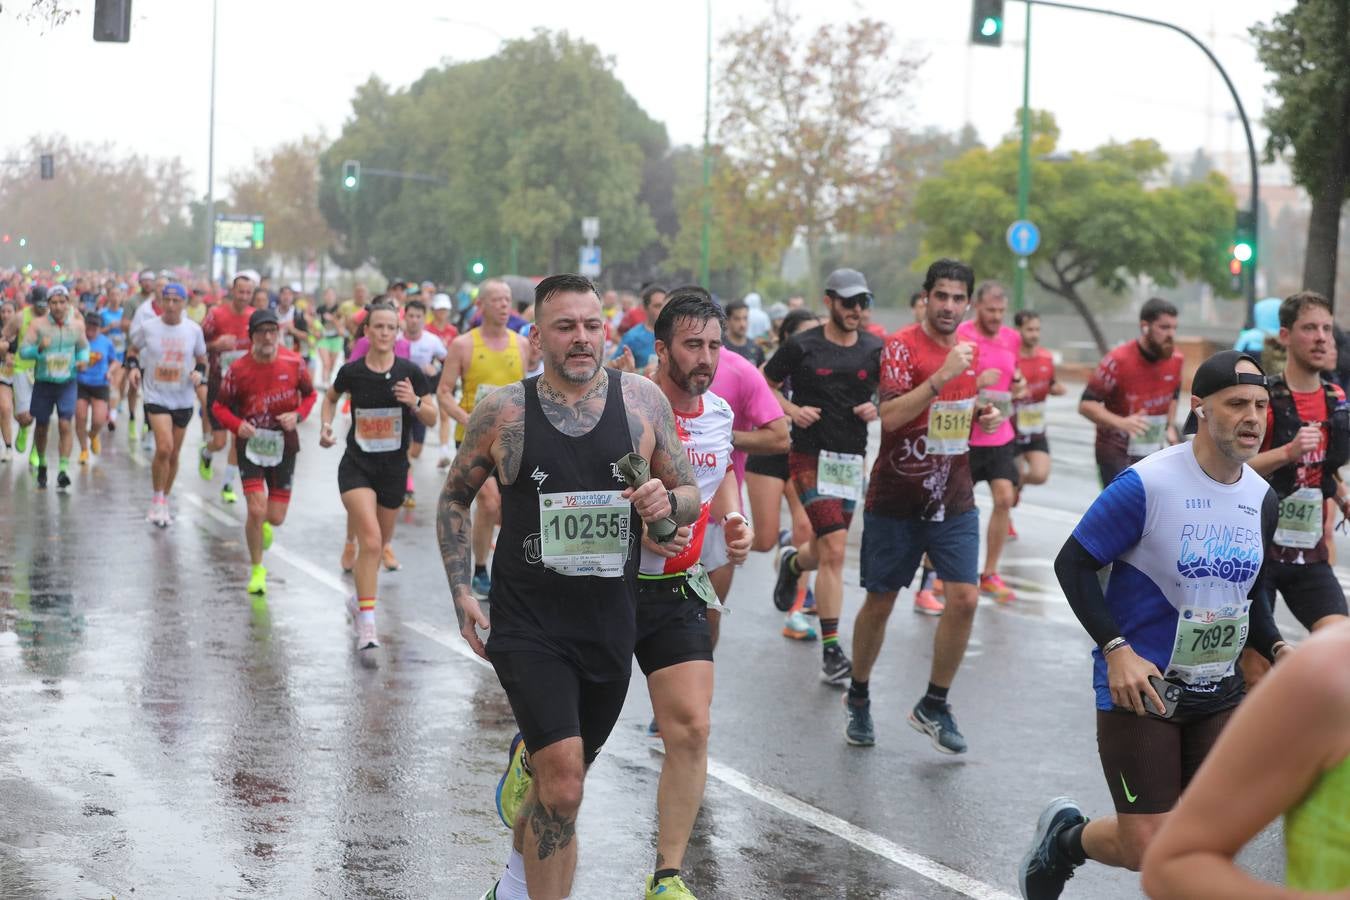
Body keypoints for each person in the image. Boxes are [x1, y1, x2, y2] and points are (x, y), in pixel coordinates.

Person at [435, 274, 700, 900]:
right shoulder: (503, 410)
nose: (581, 339)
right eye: (565, 326)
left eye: (591, 325)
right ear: (537, 337)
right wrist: (461, 592)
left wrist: (670, 499)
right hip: (529, 626)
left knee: (561, 783)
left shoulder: (641, 403)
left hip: (609, 624)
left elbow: (686, 493)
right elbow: (453, 499)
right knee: (566, 785)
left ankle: (511, 879)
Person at [1019, 350, 1290, 900]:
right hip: (1144, 687)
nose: (1253, 418)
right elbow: (1072, 563)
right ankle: (1065, 841)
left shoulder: (1262, 499)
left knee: (1200, 843)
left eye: (1260, 405)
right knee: (1148, 847)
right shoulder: (1147, 484)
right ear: (1199, 409)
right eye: (1236, 403)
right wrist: (1115, 648)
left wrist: (1279, 648)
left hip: (1218, 688)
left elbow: (1250, 595)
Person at [846, 258, 999, 753]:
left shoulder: (972, 352)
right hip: (896, 498)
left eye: (959, 298)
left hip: (953, 498)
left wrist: (984, 414)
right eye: (942, 296)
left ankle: (934, 702)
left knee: (966, 598)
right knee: (881, 601)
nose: (950, 306)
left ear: (968, 304)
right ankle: (859, 694)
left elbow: (954, 415)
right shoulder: (901, 346)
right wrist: (941, 378)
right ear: (927, 297)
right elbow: (890, 418)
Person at [633, 287, 752, 898]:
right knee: (573, 739)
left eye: (714, 344)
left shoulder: (720, 413)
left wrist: (735, 523)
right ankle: (534, 744)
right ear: (661, 348)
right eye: (692, 344)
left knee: (692, 730)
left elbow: (719, 479)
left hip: (678, 587)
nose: (706, 357)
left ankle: (667, 875)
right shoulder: (621, 407)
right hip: (610, 588)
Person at [1140, 620, 1350, 898]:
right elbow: (1171, 867)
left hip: (1215, 690)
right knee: (1137, 840)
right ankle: (1071, 839)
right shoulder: (1329, 673)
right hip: (1160, 685)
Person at [763, 268, 882, 685]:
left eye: (862, 302)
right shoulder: (802, 346)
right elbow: (767, 383)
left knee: (825, 548)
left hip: (850, 460)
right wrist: (793, 410)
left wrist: (877, 407)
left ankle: (794, 563)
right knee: (834, 549)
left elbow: (892, 392)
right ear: (830, 301)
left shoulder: (874, 347)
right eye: (848, 302)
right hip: (809, 455)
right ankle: (832, 650)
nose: (856, 310)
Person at [320, 301, 436, 651]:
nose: (385, 332)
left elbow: (431, 417)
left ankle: (359, 601)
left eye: (390, 327)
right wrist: (326, 427)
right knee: (370, 541)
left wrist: (414, 401)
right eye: (378, 327)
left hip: (393, 470)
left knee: (381, 541)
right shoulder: (352, 371)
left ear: (396, 333)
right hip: (356, 465)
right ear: (367, 332)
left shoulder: (410, 372)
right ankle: (368, 624)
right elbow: (329, 398)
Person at [1244, 291, 1349, 652]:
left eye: (1326, 329)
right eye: (1309, 328)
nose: (1321, 337)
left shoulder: (1336, 398)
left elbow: (1320, 469)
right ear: (1286, 336)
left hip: (1307, 553)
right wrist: (1286, 452)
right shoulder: (1264, 399)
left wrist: (1341, 494)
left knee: (1339, 649)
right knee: (1254, 673)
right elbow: (1233, 470)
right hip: (1256, 555)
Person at [212, 309, 317, 595]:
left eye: (273, 331)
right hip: (252, 445)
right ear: (253, 336)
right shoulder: (238, 369)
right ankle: (257, 569)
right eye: (262, 332)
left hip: (285, 444)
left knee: (276, 516)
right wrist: (237, 425)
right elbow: (218, 406)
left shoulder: (294, 363)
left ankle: (264, 527)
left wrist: (298, 415)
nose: (268, 336)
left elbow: (310, 395)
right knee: (256, 509)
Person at [436, 279, 529, 598]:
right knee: (489, 503)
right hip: (474, 442)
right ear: (482, 306)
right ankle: (479, 571)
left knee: (513, 508)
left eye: (507, 299)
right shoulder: (463, 345)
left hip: (513, 440)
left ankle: (512, 568)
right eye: (497, 300)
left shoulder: (522, 344)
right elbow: (444, 393)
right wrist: (469, 420)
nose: (505, 305)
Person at [744, 309, 823, 639]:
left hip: (803, 454)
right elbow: (763, 386)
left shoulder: (824, 366)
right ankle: (779, 543)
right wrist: (792, 412)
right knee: (763, 542)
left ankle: (797, 611)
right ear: (787, 338)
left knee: (806, 525)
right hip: (769, 454)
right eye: (804, 334)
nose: (812, 342)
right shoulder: (771, 368)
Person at [956, 281, 1025, 603]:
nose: (997, 317)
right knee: (952, 507)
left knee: (1004, 498)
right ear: (977, 307)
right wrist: (975, 381)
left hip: (999, 433)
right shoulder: (963, 335)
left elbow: (1014, 376)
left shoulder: (1012, 338)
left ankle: (990, 573)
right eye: (990, 310)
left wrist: (1019, 386)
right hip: (965, 435)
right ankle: (939, 577)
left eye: (1001, 311)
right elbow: (947, 380)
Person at [125, 283, 208, 526]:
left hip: (182, 397)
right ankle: (157, 499)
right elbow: (132, 350)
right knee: (164, 447)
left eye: (176, 301)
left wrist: (198, 374)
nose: (171, 306)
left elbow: (202, 360)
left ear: (184, 303)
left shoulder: (193, 330)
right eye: (167, 300)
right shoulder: (148, 327)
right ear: (160, 302)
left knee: (174, 453)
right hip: (156, 396)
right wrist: (132, 369)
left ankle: (165, 500)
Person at [1079, 298, 1182, 487]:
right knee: (1124, 511)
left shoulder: (1176, 359)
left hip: (1152, 451)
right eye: (1164, 327)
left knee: (1151, 510)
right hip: (1115, 452)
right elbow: (1086, 405)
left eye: (1174, 328)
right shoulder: (1117, 361)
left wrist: (1169, 426)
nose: (1171, 334)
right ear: (1145, 326)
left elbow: (1174, 394)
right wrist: (1123, 423)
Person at [19, 285, 90, 490]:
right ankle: (42, 463)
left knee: (65, 424)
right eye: (54, 303)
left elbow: (84, 348)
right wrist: (39, 348)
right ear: (49, 304)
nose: (58, 307)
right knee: (41, 427)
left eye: (61, 302)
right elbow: (24, 352)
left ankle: (63, 470)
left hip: (67, 382)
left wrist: (82, 360)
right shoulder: (38, 325)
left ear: (68, 303)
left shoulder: (76, 326)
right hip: (44, 383)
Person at [199, 274, 257, 503]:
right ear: (231, 291)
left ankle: (227, 484)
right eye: (240, 291)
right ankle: (207, 451)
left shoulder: (254, 318)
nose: (243, 296)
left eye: (248, 292)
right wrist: (215, 344)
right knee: (220, 441)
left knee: (239, 437)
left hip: (244, 388)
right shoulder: (216, 314)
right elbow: (197, 342)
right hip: (219, 384)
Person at [399, 298, 448, 507]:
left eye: (419, 316)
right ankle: (406, 483)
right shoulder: (397, 340)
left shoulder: (432, 341)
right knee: (402, 445)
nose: (414, 320)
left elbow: (448, 366)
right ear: (405, 317)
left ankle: (403, 466)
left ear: (423, 318)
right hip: (399, 400)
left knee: (416, 449)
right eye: (410, 316)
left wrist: (435, 370)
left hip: (422, 398)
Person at [1012, 309, 1065, 493]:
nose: (1034, 335)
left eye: (1037, 330)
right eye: (1029, 330)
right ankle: (1012, 485)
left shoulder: (1046, 357)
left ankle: (1017, 482)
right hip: (1012, 432)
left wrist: (1056, 389)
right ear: (1018, 330)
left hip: (1036, 430)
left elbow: (1051, 383)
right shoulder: (1011, 358)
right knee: (1007, 498)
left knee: (1040, 475)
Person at [119, 270, 157, 443]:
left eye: (151, 281)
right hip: (135, 349)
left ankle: (148, 424)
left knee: (150, 390)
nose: (148, 284)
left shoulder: (162, 303)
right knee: (134, 386)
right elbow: (124, 324)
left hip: (154, 354)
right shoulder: (133, 301)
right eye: (145, 281)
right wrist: (142, 328)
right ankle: (132, 418)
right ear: (140, 282)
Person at [74, 312, 115, 464]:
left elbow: (114, 361)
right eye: (89, 325)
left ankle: (93, 435)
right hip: (81, 383)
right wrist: (77, 365)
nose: (91, 328)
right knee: (80, 417)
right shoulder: (78, 340)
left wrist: (110, 372)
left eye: (95, 326)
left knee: (98, 420)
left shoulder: (106, 342)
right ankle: (84, 450)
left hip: (100, 384)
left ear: (99, 327)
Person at [613, 283, 668, 371]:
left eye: (665, 305)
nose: (663, 310)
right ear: (645, 308)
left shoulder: (676, 334)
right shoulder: (632, 337)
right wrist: (641, 372)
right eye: (657, 306)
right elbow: (613, 367)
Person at [314, 287, 345, 390]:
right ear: (324, 297)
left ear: (335, 297)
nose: (329, 297)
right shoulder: (320, 309)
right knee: (326, 363)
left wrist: (332, 319)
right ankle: (325, 384)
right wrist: (317, 332)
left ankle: (328, 382)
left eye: (331, 295)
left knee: (331, 364)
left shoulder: (339, 309)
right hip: (324, 339)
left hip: (336, 339)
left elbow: (341, 329)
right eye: (327, 295)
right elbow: (316, 324)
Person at [721, 299, 766, 366]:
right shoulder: (720, 347)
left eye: (745, 318)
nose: (742, 324)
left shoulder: (756, 348)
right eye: (737, 319)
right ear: (727, 321)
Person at [0, 299, 15, 460]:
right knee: (4, 408)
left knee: (22, 417)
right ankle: (8, 447)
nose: (5, 315)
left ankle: (23, 430)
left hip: (23, 376)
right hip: (3, 375)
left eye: (9, 311)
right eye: (3, 311)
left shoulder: (25, 331)